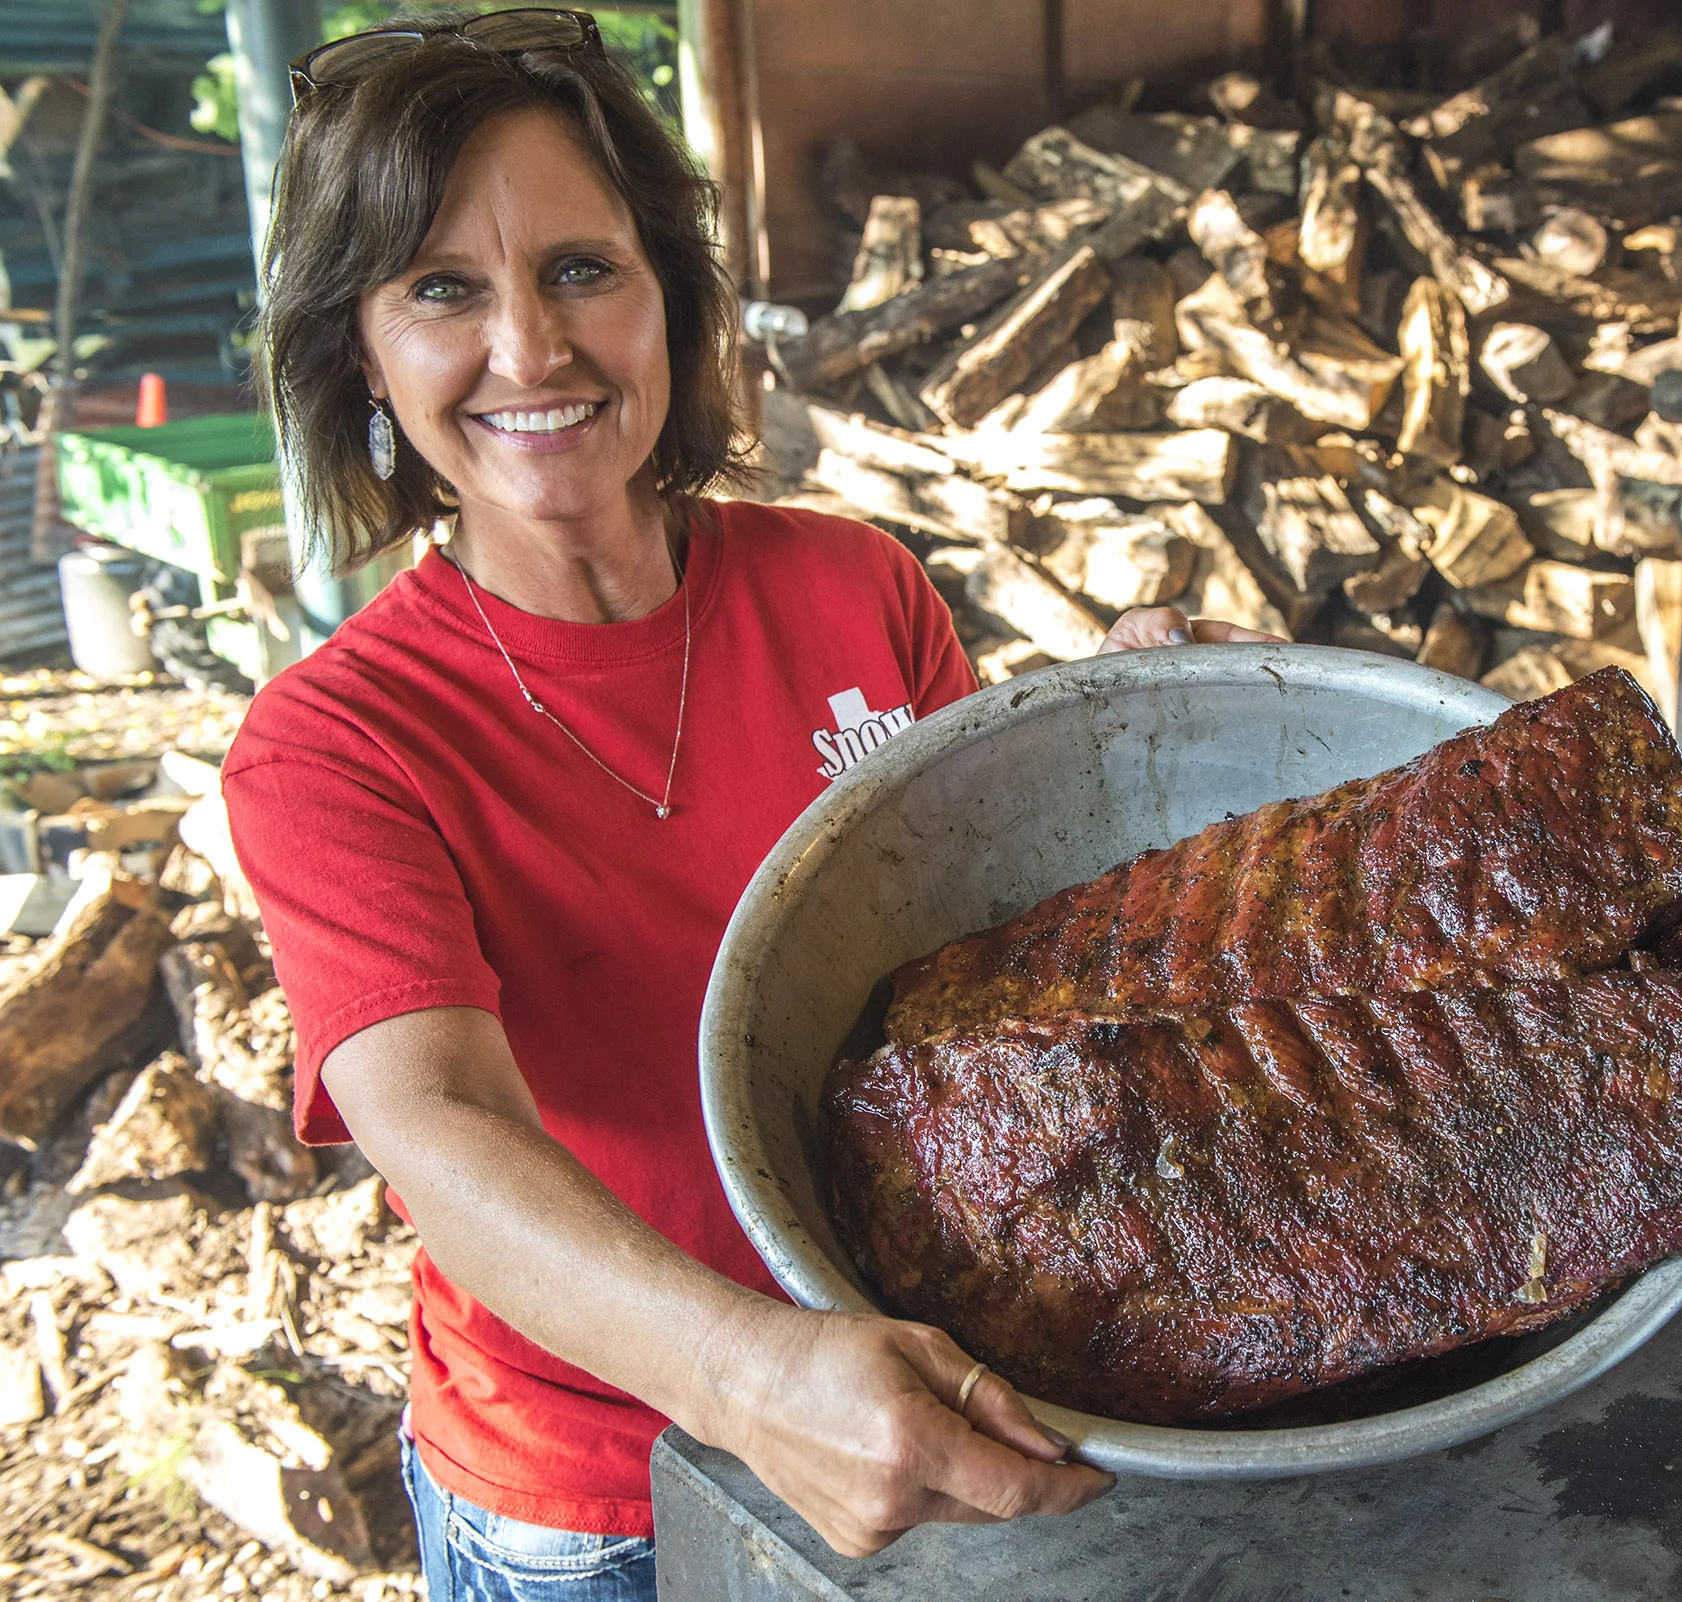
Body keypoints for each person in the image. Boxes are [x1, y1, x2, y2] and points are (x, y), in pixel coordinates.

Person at [227, 12, 1274, 1598]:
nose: (532, 349)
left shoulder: (848, 583)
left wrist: (1132, 744)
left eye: (583, 267)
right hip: (600, 1499)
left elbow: (979, 948)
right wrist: (746, 1376)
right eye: (442, 288)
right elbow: (441, 1126)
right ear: (357, 352)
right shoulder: (335, 743)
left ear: (669, 297)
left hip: (909, 1387)